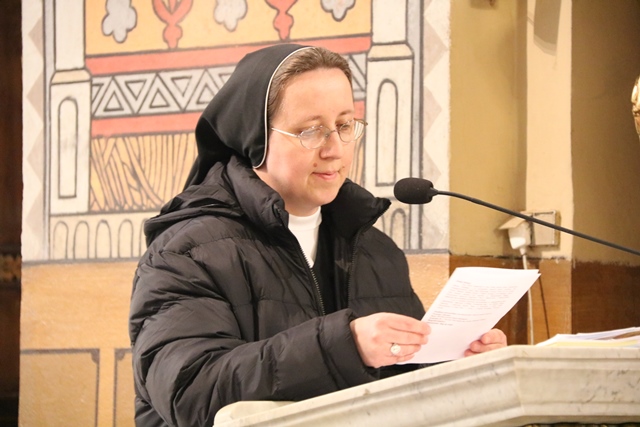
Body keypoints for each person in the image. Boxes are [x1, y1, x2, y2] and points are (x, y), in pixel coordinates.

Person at [129, 44, 507, 426]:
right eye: (311, 130)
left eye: (344, 126)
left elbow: (398, 387)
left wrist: (454, 364)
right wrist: (344, 346)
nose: (335, 150)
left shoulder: (376, 251)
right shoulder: (187, 251)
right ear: (256, 139)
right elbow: (191, 392)